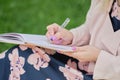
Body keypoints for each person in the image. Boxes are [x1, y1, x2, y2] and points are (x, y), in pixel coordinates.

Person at [0, 0, 120, 80]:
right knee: (21, 53)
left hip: (106, 73)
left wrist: (98, 56)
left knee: (25, 66)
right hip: (88, 64)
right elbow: (90, 27)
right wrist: (71, 36)